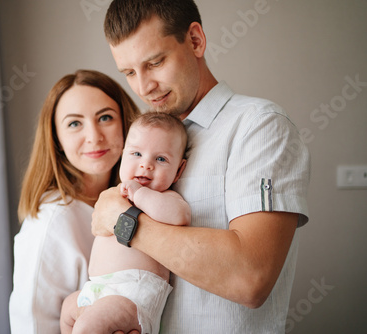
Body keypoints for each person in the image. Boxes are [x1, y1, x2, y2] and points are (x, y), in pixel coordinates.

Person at [91, 0, 311, 333]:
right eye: (129, 72)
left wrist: (124, 221)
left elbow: (250, 277)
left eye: (155, 62)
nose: (142, 86)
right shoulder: (145, 143)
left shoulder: (260, 127)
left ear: (195, 40)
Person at [9, 69, 141, 334]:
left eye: (105, 118)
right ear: (56, 139)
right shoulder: (51, 221)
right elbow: (32, 326)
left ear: (126, 123)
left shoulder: (135, 202)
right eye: (74, 123)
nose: (94, 136)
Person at [60, 112, 190, 334]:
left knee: (88, 326)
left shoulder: (166, 198)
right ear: (123, 156)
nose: (145, 165)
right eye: (136, 154)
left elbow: (180, 216)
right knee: (68, 308)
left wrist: (140, 195)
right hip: (97, 289)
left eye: (160, 159)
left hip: (133, 294)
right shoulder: (114, 195)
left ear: (178, 171)